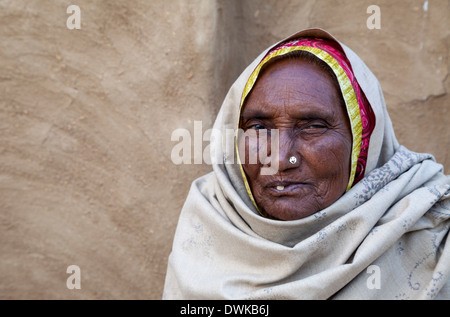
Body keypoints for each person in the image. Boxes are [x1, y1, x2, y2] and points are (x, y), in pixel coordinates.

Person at [163, 28, 450, 299]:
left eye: (313, 126)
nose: (279, 159)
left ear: (363, 145)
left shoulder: (432, 231)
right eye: (259, 128)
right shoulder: (211, 220)